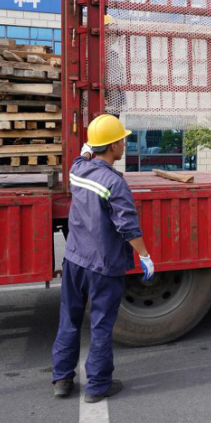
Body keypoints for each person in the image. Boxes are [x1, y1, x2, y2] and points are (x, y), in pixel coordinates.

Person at [51, 114, 155, 403]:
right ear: (112, 146)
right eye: (121, 140)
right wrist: (145, 256)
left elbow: (82, 156)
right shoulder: (114, 183)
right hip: (103, 266)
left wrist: (89, 148)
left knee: (69, 319)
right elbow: (128, 227)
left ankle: (62, 379)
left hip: (74, 260)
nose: (124, 144)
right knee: (100, 326)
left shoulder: (77, 171)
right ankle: (97, 387)